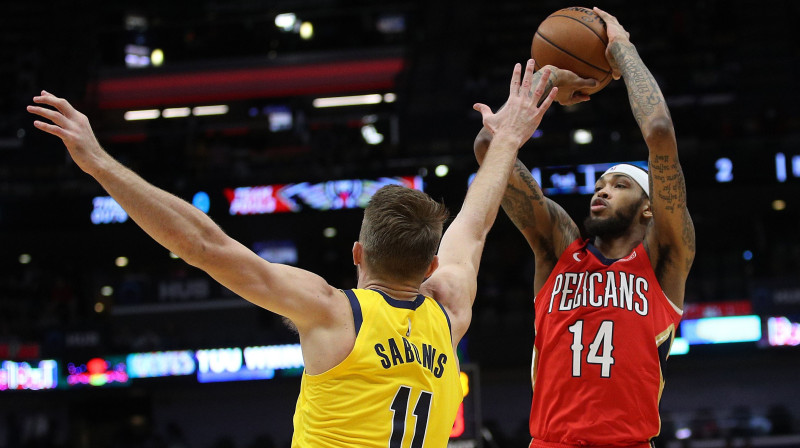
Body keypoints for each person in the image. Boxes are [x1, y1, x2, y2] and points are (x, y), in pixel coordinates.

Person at [28, 60, 568, 447]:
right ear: (430, 266)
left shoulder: (333, 310)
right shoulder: (448, 311)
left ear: (358, 252)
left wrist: (99, 162)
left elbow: (201, 245)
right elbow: (474, 226)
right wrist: (508, 141)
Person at [474, 8, 695, 448]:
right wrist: (547, 87)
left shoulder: (664, 261)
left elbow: (659, 129)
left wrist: (621, 50)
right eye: (599, 184)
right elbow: (488, 147)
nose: (602, 191)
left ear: (650, 209)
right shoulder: (559, 249)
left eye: (619, 185)